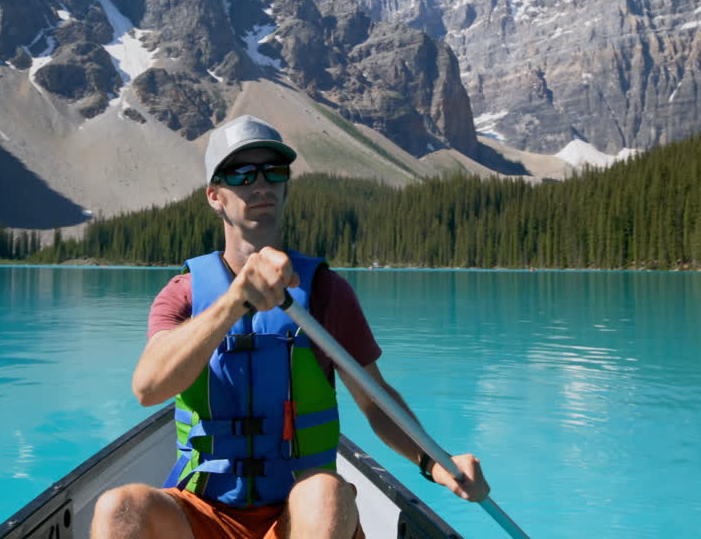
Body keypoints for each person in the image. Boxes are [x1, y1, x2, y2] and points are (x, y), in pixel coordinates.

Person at [91, 115, 489, 539]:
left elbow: (375, 402)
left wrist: (435, 461)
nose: (260, 184)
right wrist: (233, 301)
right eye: (242, 174)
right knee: (119, 508)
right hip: (205, 509)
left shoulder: (325, 292)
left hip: (299, 514)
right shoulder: (184, 294)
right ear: (214, 196)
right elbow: (147, 388)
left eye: (273, 172)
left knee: (326, 491)